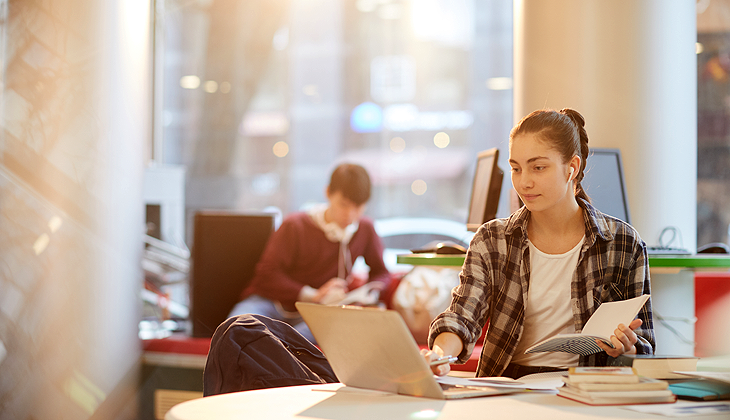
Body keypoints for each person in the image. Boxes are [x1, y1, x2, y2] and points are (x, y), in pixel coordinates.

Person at [423, 108, 655, 379]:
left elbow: (644, 343)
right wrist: (439, 356)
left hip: (586, 385)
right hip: (509, 383)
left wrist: (627, 348)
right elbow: (462, 316)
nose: (524, 182)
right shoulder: (492, 240)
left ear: (572, 168)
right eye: (516, 168)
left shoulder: (623, 243)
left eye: (538, 167)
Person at [229, 163, 390, 343]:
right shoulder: (295, 225)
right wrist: (313, 295)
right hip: (271, 302)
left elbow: (381, 273)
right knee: (236, 329)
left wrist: (369, 293)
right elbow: (267, 274)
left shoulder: (364, 230)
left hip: (318, 312)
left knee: (296, 340)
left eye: (358, 207)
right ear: (328, 193)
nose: (350, 215)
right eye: (343, 205)